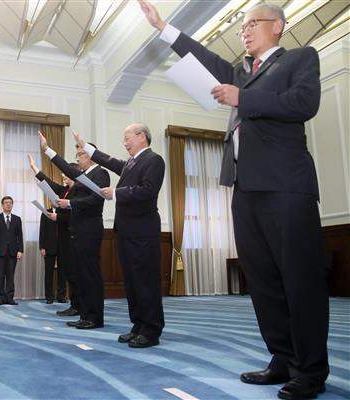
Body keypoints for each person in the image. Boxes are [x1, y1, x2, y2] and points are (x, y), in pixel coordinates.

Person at [139, 1, 328, 398]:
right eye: (241, 27)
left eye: (252, 23)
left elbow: (303, 104)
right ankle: (282, 359)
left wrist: (244, 99)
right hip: (244, 189)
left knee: (300, 281)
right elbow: (205, 59)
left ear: (277, 26)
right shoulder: (242, 71)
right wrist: (163, 27)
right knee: (262, 281)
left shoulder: (299, 58)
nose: (244, 31)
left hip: (286, 188)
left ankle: (311, 370)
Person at [74, 124, 165, 348]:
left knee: (146, 282)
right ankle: (138, 325)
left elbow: (148, 190)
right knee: (132, 283)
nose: (124, 143)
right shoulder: (130, 163)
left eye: (127, 138)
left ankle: (151, 330)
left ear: (141, 136)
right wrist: (86, 147)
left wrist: (115, 193)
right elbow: (109, 161)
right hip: (126, 232)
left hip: (143, 232)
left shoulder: (154, 160)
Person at [39, 132, 109, 329]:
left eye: (80, 154)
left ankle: (95, 318)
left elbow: (96, 200)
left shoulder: (101, 173)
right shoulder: (83, 177)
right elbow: (66, 168)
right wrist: (47, 150)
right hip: (78, 231)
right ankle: (85, 315)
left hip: (89, 230)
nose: (77, 159)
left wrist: (69, 203)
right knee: (81, 275)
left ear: (90, 156)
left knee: (90, 275)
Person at [29, 154, 79, 315]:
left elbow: (78, 215)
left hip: (73, 237)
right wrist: (35, 169)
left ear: (74, 174)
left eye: (66, 173)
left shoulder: (78, 191)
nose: (63, 176)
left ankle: (77, 305)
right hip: (64, 238)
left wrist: (58, 217)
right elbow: (49, 184)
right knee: (69, 273)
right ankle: (75, 305)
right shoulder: (65, 190)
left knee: (72, 273)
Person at [0, 196, 23, 305]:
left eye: (10, 203)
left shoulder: (17, 219)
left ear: (12, 205)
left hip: (13, 252)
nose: (8, 204)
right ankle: (0, 298)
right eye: (6, 203)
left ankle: (9, 298)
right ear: (2, 205)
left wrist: (20, 250)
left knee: (10, 276)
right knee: (0, 276)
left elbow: (20, 236)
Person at [38, 206, 66, 304]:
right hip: (49, 246)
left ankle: (61, 296)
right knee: (48, 272)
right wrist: (42, 247)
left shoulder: (65, 212)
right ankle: (49, 296)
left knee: (62, 273)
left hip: (63, 246)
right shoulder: (46, 212)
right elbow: (42, 230)